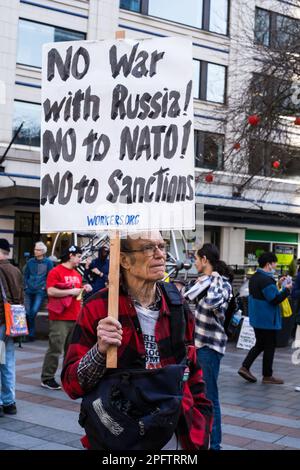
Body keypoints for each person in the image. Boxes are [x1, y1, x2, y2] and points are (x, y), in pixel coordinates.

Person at [61, 231, 213, 450]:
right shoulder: (99, 307)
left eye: (162, 246)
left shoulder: (176, 303)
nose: (161, 255)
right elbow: (71, 384)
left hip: (175, 432)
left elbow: (193, 372)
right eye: (148, 248)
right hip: (121, 435)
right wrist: (100, 351)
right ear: (124, 260)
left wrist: (202, 422)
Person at [193, 243, 233, 451]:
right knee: (201, 396)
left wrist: (212, 278)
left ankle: (214, 445)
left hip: (209, 346)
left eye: (196, 259)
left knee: (210, 398)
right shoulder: (203, 282)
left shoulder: (221, 283)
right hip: (199, 345)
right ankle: (202, 441)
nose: (195, 263)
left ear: (205, 260)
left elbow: (212, 303)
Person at [41, 245, 92, 390]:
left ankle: (67, 377)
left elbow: (77, 293)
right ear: (71, 255)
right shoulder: (55, 271)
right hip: (59, 317)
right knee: (55, 348)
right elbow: (51, 291)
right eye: (78, 256)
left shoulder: (77, 274)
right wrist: (72, 290)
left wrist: (83, 288)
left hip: (75, 316)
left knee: (71, 351)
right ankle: (47, 377)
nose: (80, 259)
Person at [238, 252, 292, 385]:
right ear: (268, 264)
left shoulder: (256, 277)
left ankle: (245, 367)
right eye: (274, 263)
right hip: (267, 320)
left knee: (260, 344)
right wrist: (287, 289)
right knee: (269, 346)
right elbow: (275, 299)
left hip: (257, 319)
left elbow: (265, 294)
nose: (276, 265)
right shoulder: (266, 280)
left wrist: (277, 284)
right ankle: (267, 376)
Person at [0, 238, 24, 416]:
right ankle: (9, 402)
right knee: (8, 361)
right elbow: (21, 297)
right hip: (13, 322)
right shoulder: (16, 270)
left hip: (0, 320)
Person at [23, 241, 53, 341]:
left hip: (40, 291)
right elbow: (25, 275)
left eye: (38, 250)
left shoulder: (48, 262)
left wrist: (44, 287)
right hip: (29, 290)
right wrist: (26, 286)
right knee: (27, 312)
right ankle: (29, 333)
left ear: (43, 251)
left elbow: (50, 276)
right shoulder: (30, 262)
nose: (36, 251)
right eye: (35, 249)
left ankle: (30, 334)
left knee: (34, 311)